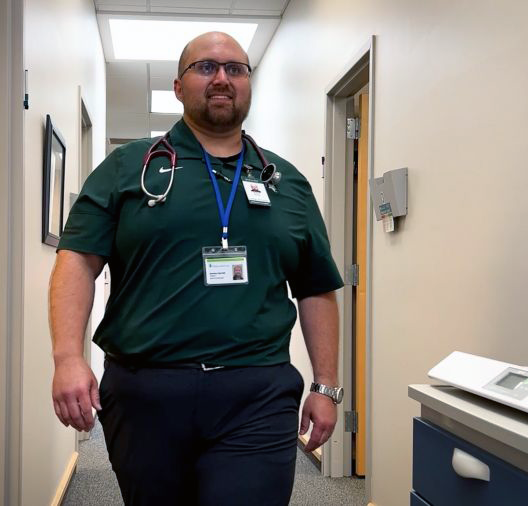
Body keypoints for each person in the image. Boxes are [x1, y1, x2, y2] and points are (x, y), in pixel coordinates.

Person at [48, 31, 344, 506]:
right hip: (147, 393)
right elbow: (77, 260)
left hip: (257, 394)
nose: (222, 78)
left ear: (248, 83)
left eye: (236, 68)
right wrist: (67, 357)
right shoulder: (129, 168)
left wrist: (327, 385)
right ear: (178, 87)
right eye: (205, 67)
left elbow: (316, 288)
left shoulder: (286, 183)